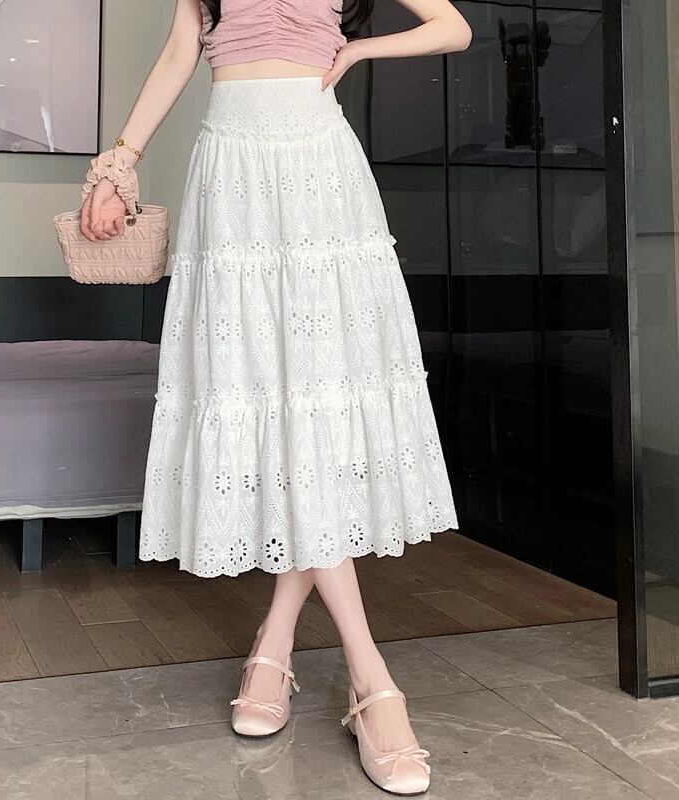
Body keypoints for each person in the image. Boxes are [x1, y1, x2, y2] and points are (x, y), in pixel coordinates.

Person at [81, 1, 471, 794]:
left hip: (319, 166)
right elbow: (179, 54)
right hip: (232, 169)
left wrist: (356, 52)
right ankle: (349, 673)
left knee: (310, 410)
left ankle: (308, 659)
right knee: (267, 399)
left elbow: (453, 27)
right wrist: (117, 163)